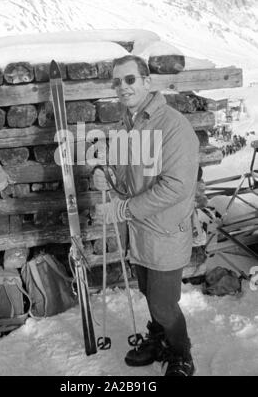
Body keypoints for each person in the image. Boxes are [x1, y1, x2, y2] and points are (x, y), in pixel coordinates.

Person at [93, 55, 199, 376]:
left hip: (165, 232)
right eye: (117, 81)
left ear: (146, 82)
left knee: (164, 305)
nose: (122, 87)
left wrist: (124, 209)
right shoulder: (130, 122)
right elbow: (126, 173)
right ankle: (158, 339)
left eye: (129, 80)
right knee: (148, 294)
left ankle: (181, 354)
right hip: (139, 232)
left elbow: (176, 187)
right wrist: (106, 173)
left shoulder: (173, 126)